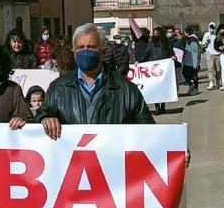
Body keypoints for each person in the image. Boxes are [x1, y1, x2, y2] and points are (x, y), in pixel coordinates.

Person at [21, 23, 154, 139]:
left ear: (103, 51)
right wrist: (44, 119)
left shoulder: (126, 89)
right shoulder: (58, 88)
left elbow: (149, 132)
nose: (85, 51)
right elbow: (40, 118)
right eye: (80, 47)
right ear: (73, 52)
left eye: (91, 47)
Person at [201, 22, 224, 90]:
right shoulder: (206, 35)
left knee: (218, 69)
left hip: (218, 54)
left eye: (213, 27)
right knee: (211, 69)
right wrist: (206, 43)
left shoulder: (217, 35)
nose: (212, 29)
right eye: (210, 27)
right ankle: (211, 82)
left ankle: (218, 81)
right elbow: (203, 45)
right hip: (210, 54)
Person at [181, 29, 202, 95]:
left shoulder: (193, 41)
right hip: (187, 62)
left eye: (184, 33)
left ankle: (195, 89)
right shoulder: (188, 40)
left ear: (187, 33)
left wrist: (195, 65)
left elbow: (195, 53)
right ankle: (191, 87)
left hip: (192, 63)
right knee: (185, 74)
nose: (183, 34)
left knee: (194, 76)